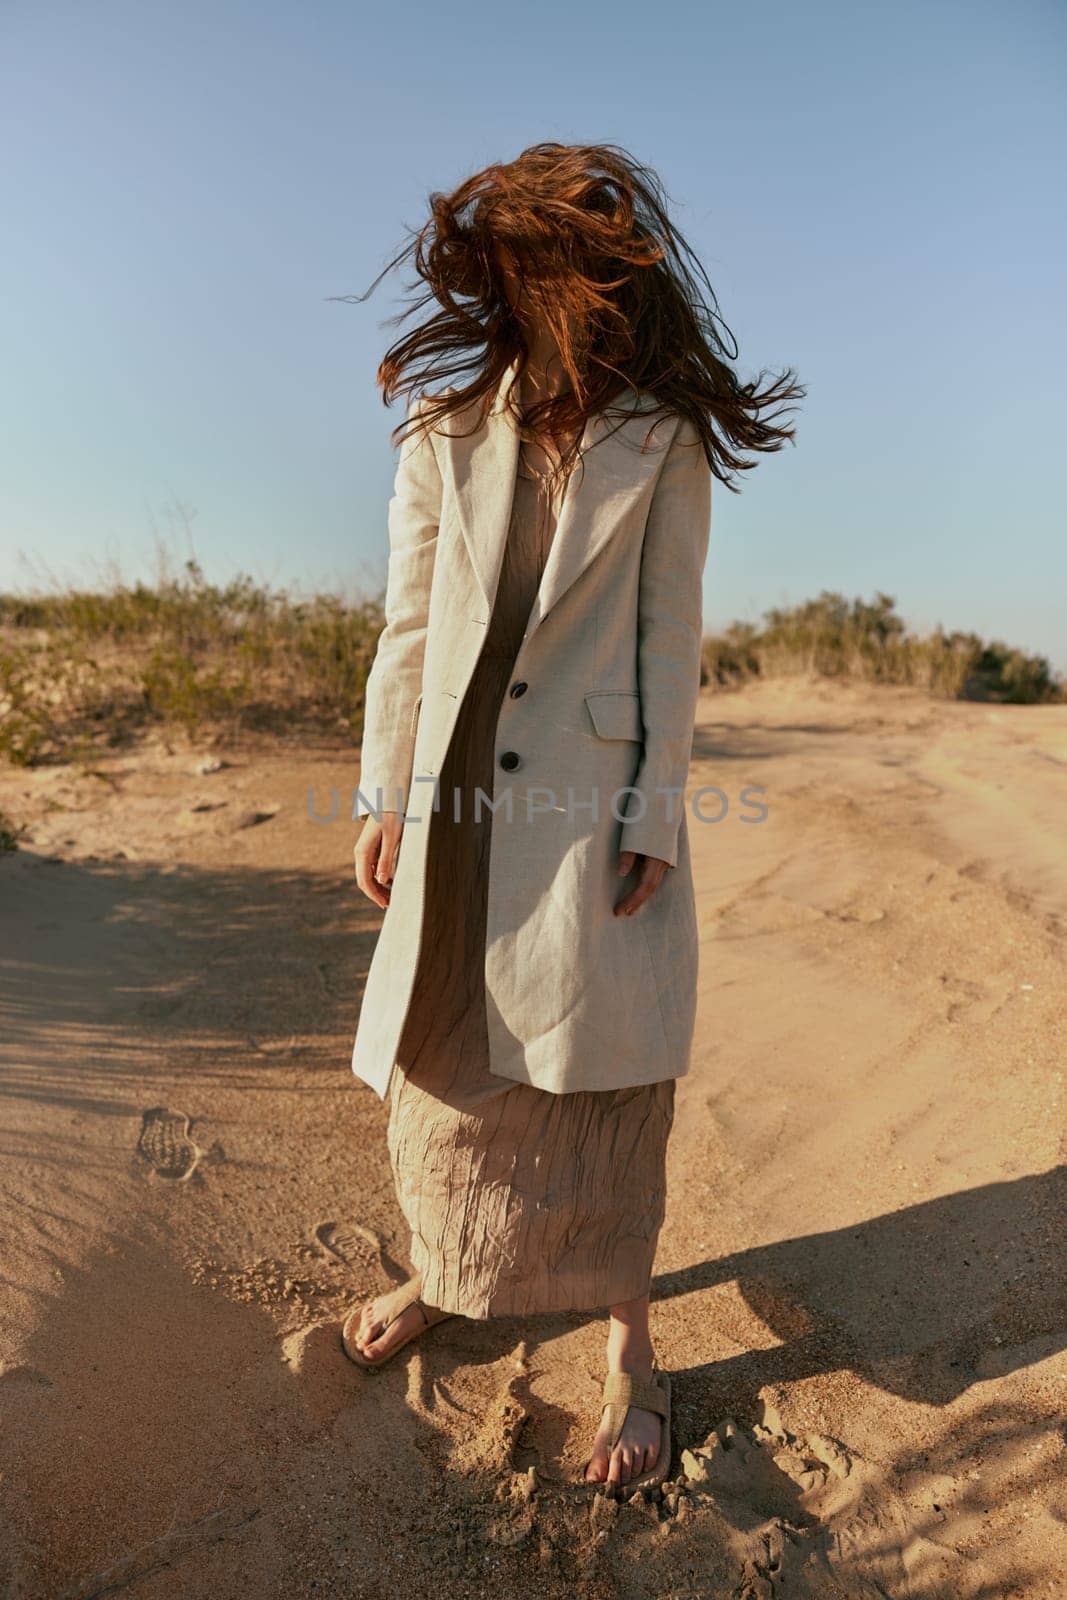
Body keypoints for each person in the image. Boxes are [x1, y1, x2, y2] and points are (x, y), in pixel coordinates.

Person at [342, 141, 803, 1490]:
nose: (566, 288)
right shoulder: (442, 428)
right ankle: (445, 1274)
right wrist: (382, 791)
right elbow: (410, 626)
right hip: (457, 787)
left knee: (600, 1075)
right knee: (448, 1058)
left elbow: (670, 633)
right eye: (543, 263)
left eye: (583, 266)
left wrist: (655, 807)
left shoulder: (662, 438)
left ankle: (629, 1348)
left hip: (588, 799)